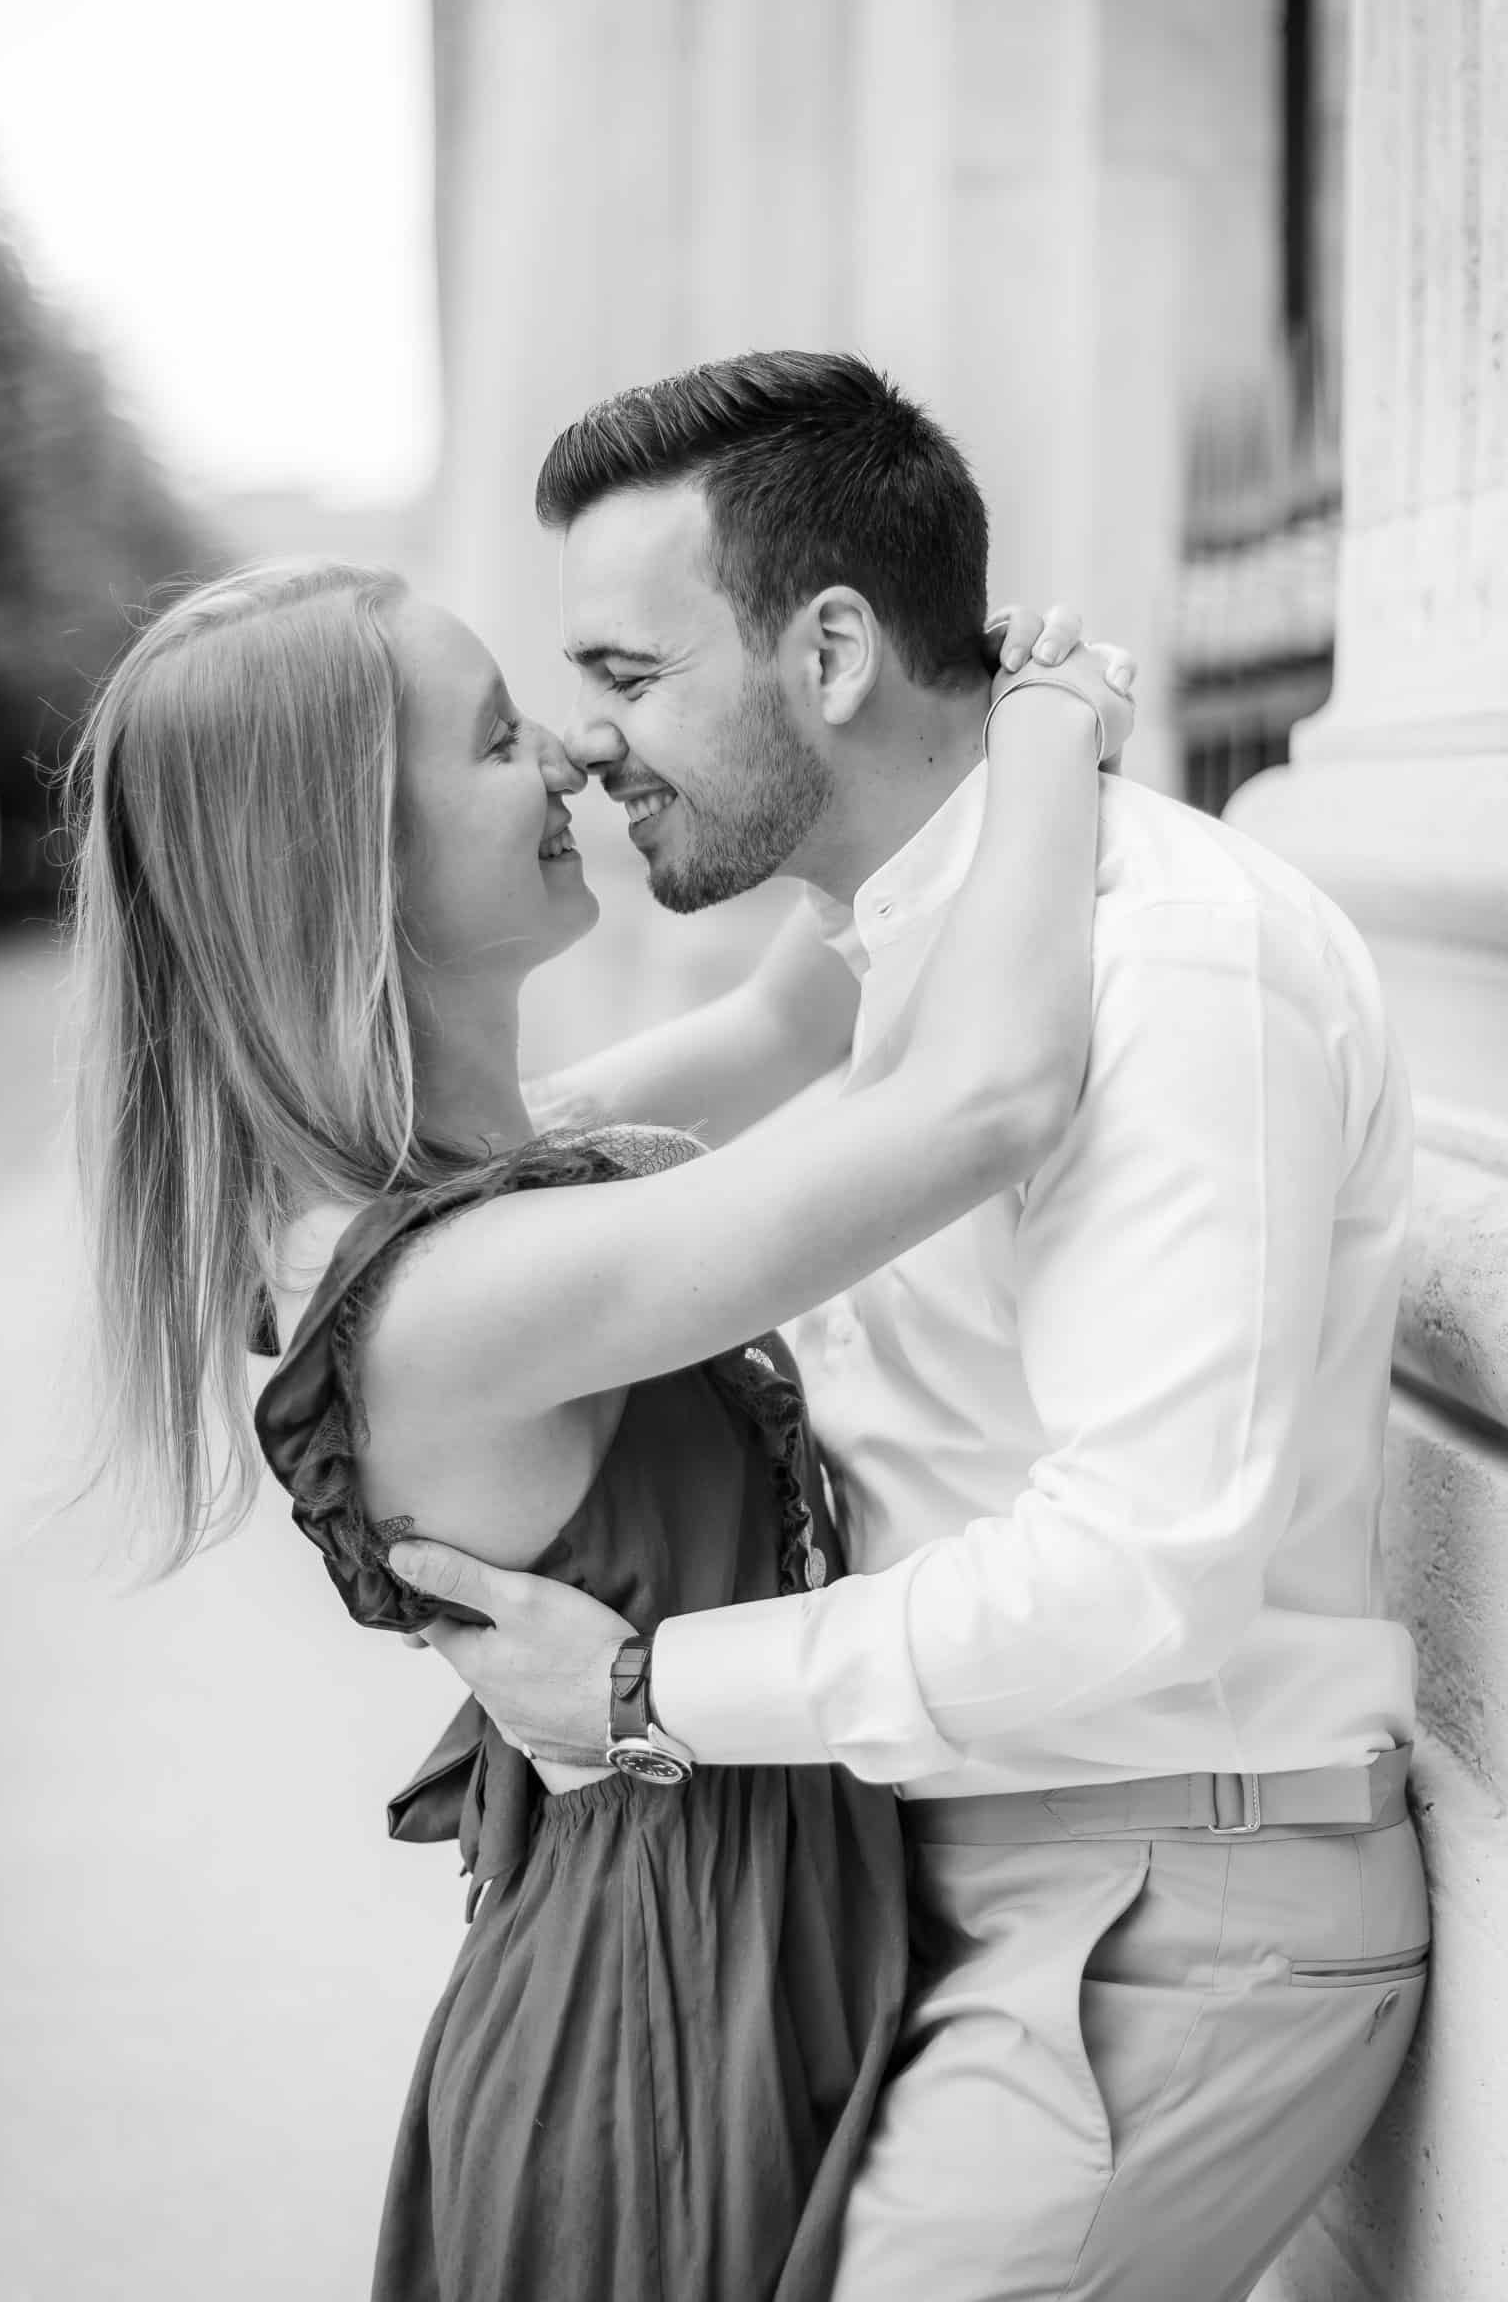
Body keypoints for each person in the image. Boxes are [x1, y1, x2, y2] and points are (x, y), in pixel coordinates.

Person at [387, 351, 1430, 2302]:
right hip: (915, 1884)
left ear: (832, 651)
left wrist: (641, 1695)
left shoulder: (1161, 968)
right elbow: (617, 1145)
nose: (580, 744)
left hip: (1164, 1905)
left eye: (624, 675)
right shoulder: (886, 968)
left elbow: (1137, 1576)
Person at [65, 549, 1133, 2301]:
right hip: (649, 2052)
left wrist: (884, 730)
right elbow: (985, 1095)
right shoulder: (463, 1291)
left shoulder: (491, 1164)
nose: (567, 753)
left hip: (711, 1963)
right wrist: (1047, 725)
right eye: (494, 743)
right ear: (360, 869)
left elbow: (810, 1009)